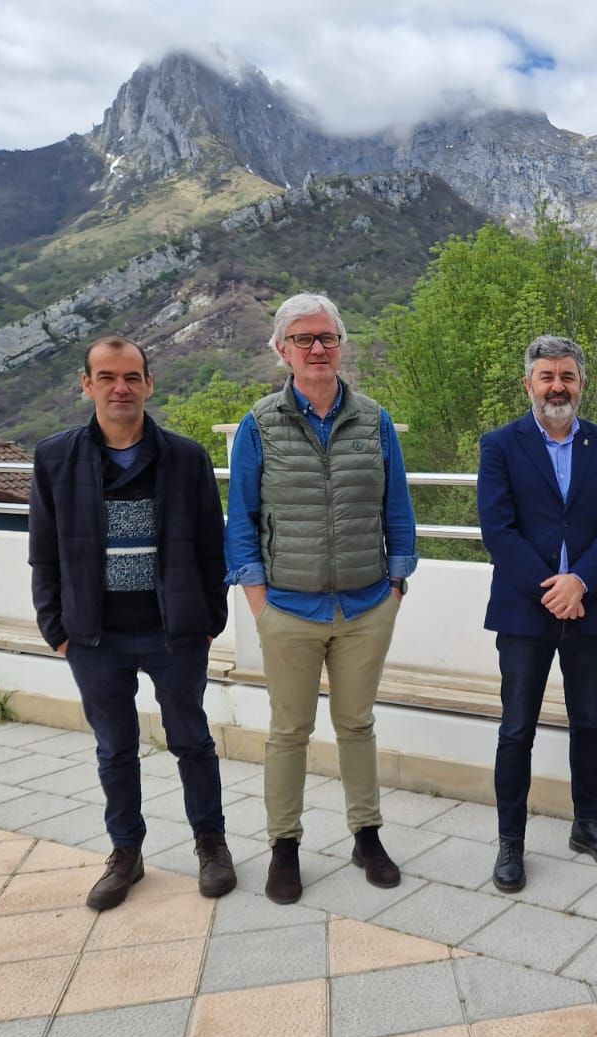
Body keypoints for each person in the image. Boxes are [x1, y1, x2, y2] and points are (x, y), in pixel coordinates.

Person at [29, 334, 234, 911]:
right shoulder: (55, 458)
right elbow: (43, 550)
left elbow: (210, 548)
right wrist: (57, 627)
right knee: (114, 747)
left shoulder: (185, 457)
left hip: (175, 632)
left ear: (148, 383)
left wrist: (209, 617)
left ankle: (211, 843)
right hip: (94, 635)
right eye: (108, 377)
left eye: (132, 377)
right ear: (87, 384)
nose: (121, 388)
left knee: (191, 740)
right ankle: (126, 853)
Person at [224, 293, 417, 904]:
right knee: (289, 731)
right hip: (288, 608)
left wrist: (395, 585)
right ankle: (285, 846)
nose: (317, 349)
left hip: (366, 607)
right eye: (304, 339)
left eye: (327, 338)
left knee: (357, 725)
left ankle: (367, 834)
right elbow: (242, 519)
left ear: (341, 345)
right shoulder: (259, 424)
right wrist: (260, 603)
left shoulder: (375, 420)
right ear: (283, 350)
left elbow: (399, 510)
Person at [478, 334, 597, 893]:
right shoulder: (500, 445)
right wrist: (552, 589)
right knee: (517, 729)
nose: (557, 386)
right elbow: (497, 528)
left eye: (567, 376)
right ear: (529, 384)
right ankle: (510, 844)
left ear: (581, 383)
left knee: (589, 723)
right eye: (547, 377)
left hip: (589, 608)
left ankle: (588, 825)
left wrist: (581, 581)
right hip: (525, 611)